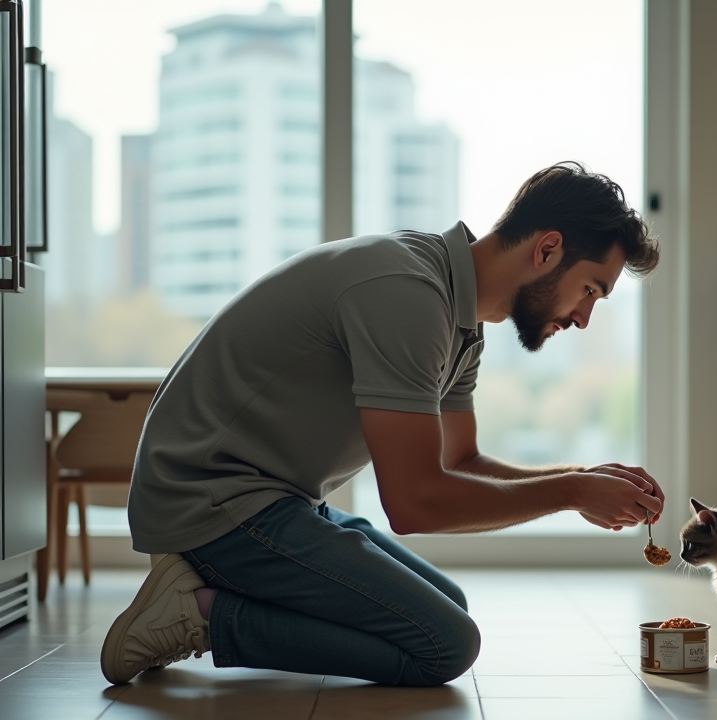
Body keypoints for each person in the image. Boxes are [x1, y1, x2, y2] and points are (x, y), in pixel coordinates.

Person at [101, 162, 663, 687]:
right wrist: (571, 492)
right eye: (591, 289)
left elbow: (458, 463)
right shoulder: (408, 294)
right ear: (547, 250)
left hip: (273, 501)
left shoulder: (459, 319)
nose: (586, 318)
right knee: (443, 644)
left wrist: (586, 477)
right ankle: (202, 615)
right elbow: (414, 503)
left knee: (446, 606)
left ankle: (221, 582)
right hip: (211, 501)